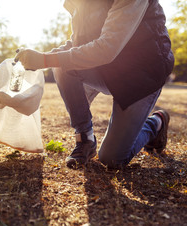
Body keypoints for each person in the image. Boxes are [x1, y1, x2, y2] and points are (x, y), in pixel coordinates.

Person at [14, 0, 174, 169]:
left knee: (112, 159)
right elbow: (78, 43)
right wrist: (41, 57)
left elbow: (107, 48)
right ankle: (85, 139)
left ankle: (156, 123)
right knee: (61, 64)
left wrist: (45, 59)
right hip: (109, 69)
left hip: (142, 75)